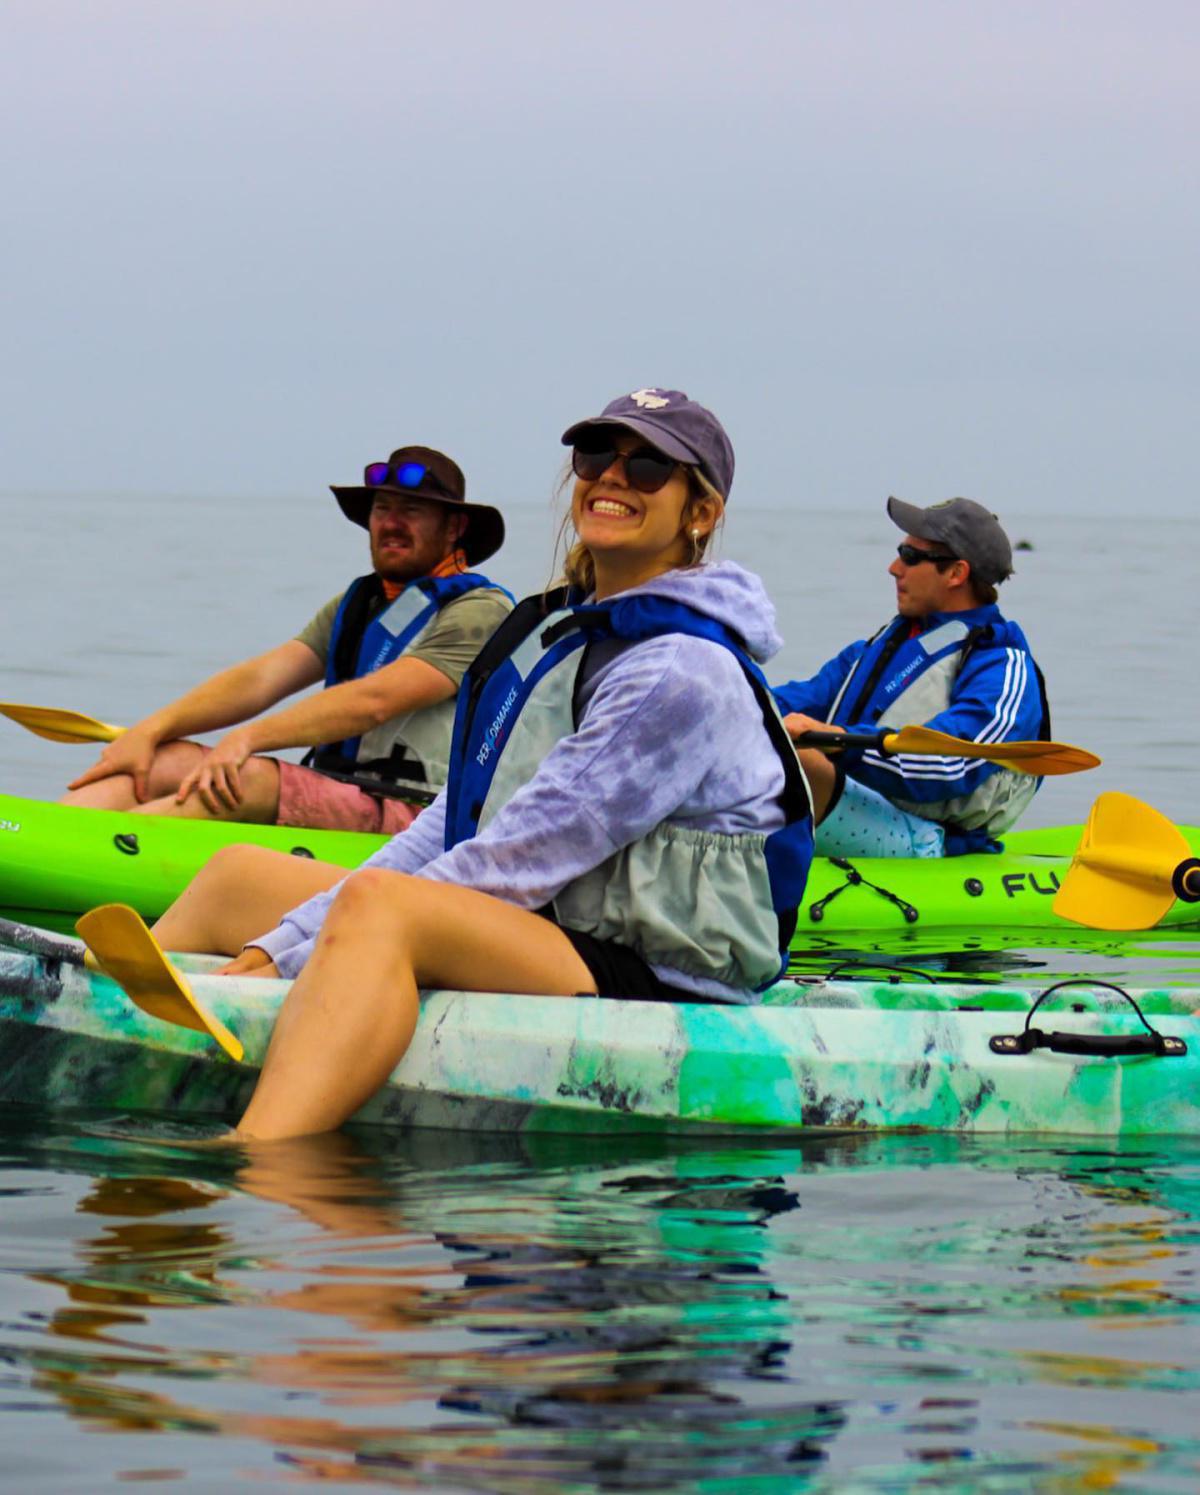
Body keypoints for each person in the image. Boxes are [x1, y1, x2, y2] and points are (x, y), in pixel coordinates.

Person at [141, 388, 816, 1141]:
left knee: (380, 911)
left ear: (701, 511)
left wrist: (289, 961)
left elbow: (516, 858)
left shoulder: (680, 671)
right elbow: (457, 818)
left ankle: (260, 1152)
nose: (613, 477)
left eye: (650, 465)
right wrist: (279, 939)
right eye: (597, 455)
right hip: (555, 922)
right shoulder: (562, 631)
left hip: (657, 972)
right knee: (242, 875)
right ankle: (109, 1017)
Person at [63, 447, 512, 833]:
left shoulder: (479, 611)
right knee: (165, 759)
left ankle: (99, 851)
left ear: (454, 528)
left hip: (418, 814)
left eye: (411, 511)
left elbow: (374, 700)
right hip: (341, 790)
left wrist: (247, 739)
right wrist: (150, 730)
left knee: (241, 776)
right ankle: (46, 831)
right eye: (382, 509)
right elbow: (261, 679)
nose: (391, 523)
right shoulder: (358, 605)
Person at [775, 496, 1048, 858]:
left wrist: (840, 743)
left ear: (956, 573)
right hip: (856, 804)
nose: (894, 567)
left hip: (928, 836)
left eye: (910, 556)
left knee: (800, 763)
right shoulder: (880, 647)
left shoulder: (1000, 663)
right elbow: (796, 699)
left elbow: (954, 763)